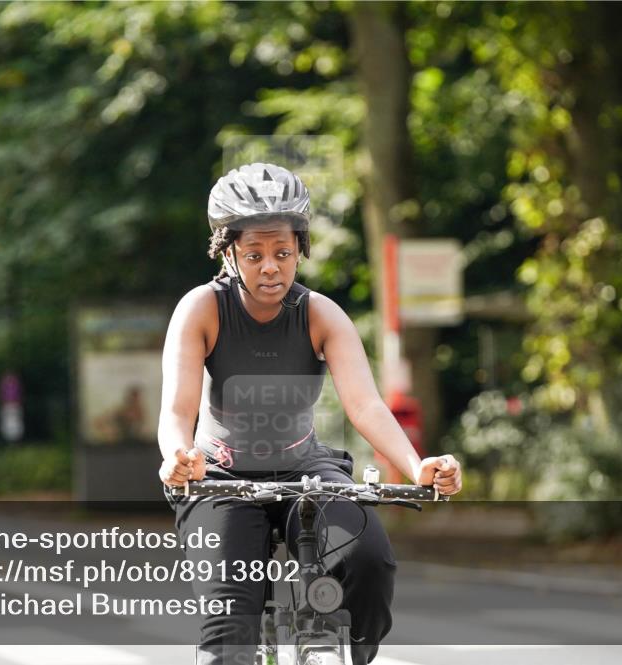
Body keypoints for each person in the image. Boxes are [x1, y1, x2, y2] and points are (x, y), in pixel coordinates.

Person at [158, 163, 462, 665]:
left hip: (307, 472)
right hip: (220, 478)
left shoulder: (321, 314)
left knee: (370, 560)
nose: (270, 267)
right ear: (229, 252)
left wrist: (416, 466)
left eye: (282, 252)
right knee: (229, 631)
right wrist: (178, 457)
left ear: (301, 248)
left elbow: (364, 404)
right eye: (254, 255)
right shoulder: (202, 309)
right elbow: (177, 409)